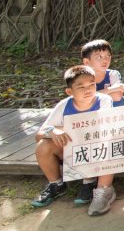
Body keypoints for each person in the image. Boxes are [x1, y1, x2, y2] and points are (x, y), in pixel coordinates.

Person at [31, 65, 115, 214]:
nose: (88, 90)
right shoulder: (64, 105)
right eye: (81, 87)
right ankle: (56, 184)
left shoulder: (104, 100)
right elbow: (39, 134)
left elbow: (101, 129)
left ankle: (89, 183)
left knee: (91, 138)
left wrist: (68, 129)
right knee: (43, 145)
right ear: (70, 91)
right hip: (71, 152)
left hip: (97, 151)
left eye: (92, 85)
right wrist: (53, 130)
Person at [81, 39, 124, 105]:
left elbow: (117, 96)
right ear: (86, 62)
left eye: (108, 56)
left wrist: (93, 96)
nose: (105, 60)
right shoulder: (81, 78)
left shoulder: (112, 74)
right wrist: (111, 90)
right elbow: (82, 100)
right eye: (99, 57)